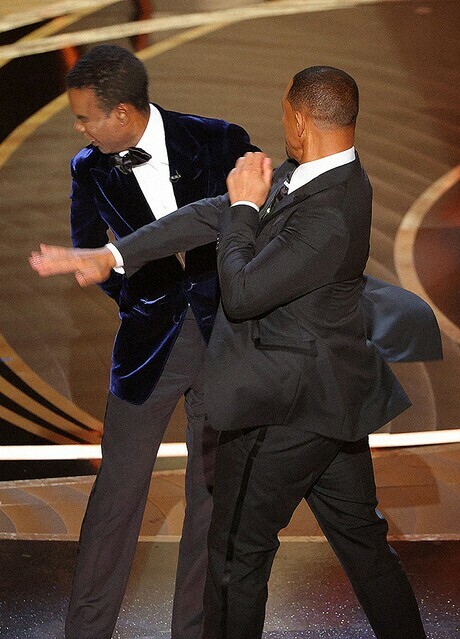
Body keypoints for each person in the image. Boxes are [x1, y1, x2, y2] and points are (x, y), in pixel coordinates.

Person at [30, 67, 437, 638]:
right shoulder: (310, 173)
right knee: (364, 544)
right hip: (332, 401)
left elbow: (242, 293)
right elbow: (210, 213)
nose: (280, 120)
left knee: (233, 556)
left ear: (300, 119)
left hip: (287, 406)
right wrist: (114, 256)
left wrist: (245, 208)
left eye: (284, 111)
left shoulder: (332, 212)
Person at [56, 44, 258, 639]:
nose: (80, 129)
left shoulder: (220, 139)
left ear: (121, 112)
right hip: (148, 350)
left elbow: (254, 228)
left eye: (85, 118)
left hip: (225, 341)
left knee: (209, 496)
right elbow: (89, 249)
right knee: (116, 495)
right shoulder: (88, 168)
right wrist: (140, 302)